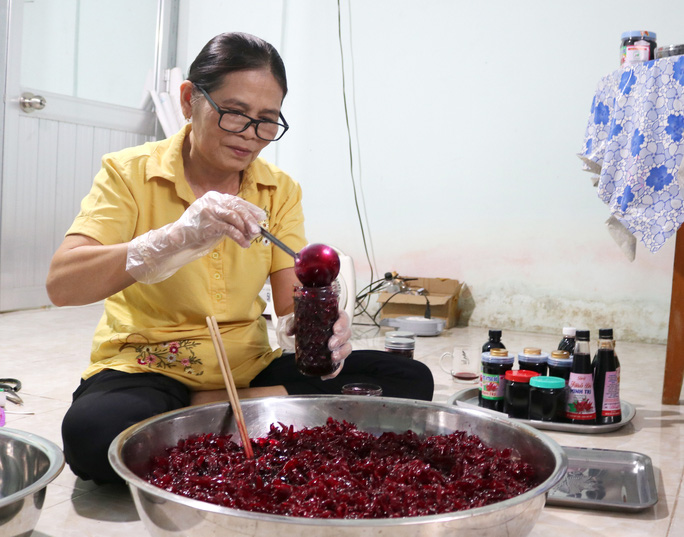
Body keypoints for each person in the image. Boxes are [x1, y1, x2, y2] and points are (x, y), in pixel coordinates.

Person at [47, 32, 434, 484]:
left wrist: (321, 327)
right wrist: (169, 240)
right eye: (234, 113)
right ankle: (251, 416)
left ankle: (193, 417)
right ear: (189, 99)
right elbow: (63, 285)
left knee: (407, 379)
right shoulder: (129, 173)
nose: (250, 135)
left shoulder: (278, 189)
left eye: (267, 121)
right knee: (94, 438)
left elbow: (290, 303)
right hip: (148, 366)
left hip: (249, 369)